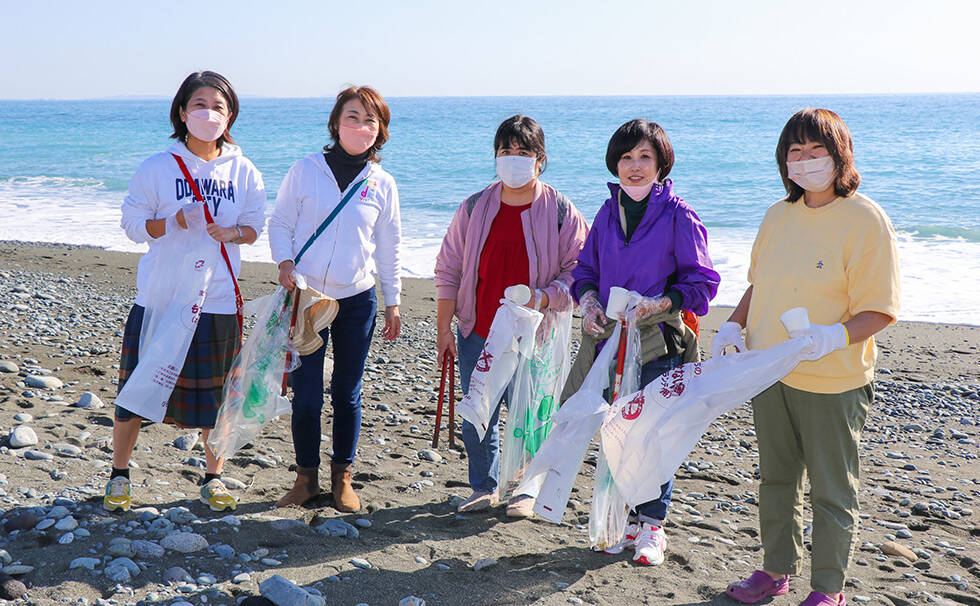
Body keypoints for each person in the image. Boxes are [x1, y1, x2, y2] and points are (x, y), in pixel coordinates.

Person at [716, 108, 900, 606]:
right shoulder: (778, 215)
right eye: (795, 151)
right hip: (770, 371)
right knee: (776, 478)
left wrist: (833, 337)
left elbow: (880, 310)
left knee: (831, 490)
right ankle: (774, 571)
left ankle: (828, 590)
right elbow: (760, 283)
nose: (805, 160)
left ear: (840, 156)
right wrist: (734, 324)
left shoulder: (865, 220)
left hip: (833, 381)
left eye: (816, 150)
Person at [107, 71, 267, 513]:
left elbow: (256, 227)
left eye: (218, 107)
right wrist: (172, 221)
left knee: (215, 398)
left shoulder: (244, 169)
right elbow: (132, 226)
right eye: (200, 105)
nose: (209, 114)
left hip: (216, 300)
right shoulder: (157, 167)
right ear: (182, 111)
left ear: (230, 115)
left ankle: (213, 477)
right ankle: (120, 474)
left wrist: (233, 232)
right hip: (161, 297)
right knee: (135, 390)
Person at [569, 119, 720, 565]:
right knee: (616, 430)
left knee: (653, 433)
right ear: (615, 163)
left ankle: (652, 527)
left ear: (661, 163)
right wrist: (590, 303)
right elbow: (585, 273)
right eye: (626, 158)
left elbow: (702, 284)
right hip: (612, 345)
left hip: (660, 344)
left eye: (644, 157)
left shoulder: (679, 214)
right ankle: (623, 519)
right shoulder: (605, 211)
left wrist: (659, 303)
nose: (634, 166)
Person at [434, 115, 588, 517]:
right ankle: (484, 486)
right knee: (477, 414)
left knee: (531, 414)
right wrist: (444, 329)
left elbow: (581, 270)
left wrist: (544, 297)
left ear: (541, 160)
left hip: (536, 335)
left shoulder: (560, 210)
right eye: (506, 152)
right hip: (478, 328)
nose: (513, 160)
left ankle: (526, 488)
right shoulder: (474, 207)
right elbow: (448, 269)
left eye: (523, 153)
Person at [269, 86, 402, 512]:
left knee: (347, 392)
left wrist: (393, 301)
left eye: (370, 120)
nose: (361, 126)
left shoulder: (382, 183)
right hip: (307, 298)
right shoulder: (305, 170)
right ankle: (305, 479)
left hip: (357, 301)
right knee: (306, 394)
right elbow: (280, 222)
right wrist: (285, 263)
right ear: (335, 123)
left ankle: (342, 477)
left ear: (380, 130)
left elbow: (389, 245)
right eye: (352, 117)